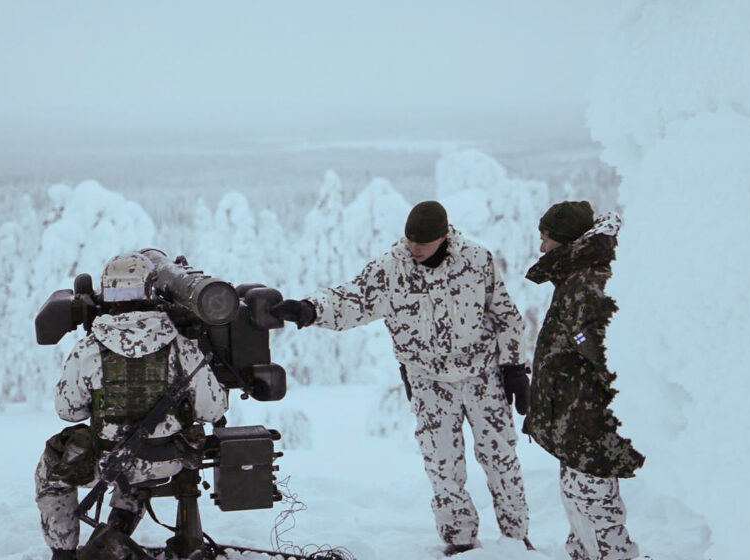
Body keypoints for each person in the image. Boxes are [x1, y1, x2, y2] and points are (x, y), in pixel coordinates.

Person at [271, 201, 532, 556]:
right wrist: (311, 309)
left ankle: (516, 538)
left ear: (443, 236)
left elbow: (505, 315)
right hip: (429, 382)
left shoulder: (477, 260)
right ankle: (460, 540)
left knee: (501, 458)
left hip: (482, 377)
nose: (413, 250)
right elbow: (353, 298)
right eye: (409, 242)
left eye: (421, 244)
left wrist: (515, 368)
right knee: (442, 466)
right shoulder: (390, 269)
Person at [35, 251, 229, 560]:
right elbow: (214, 409)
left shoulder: (89, 348)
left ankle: (63, 554)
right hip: (170, 460)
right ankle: (117, 530)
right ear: (151, 291)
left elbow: (68, 410)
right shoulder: (182, 346)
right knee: (138, 460)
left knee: (52, 469)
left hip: (111, 462)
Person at [523, 201, 645, 560]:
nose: (542, 247)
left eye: (546, 239)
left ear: (566, 241)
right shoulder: (578, 273)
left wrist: (578, 339)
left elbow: (597, 345)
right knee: (578, 495)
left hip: (587, 417)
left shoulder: (586, 280)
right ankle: (584, 554)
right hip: (574, 414)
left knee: (593, 500)